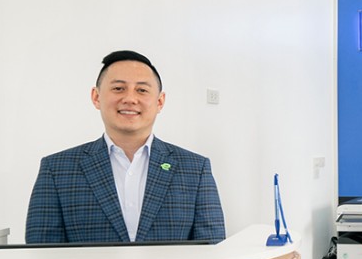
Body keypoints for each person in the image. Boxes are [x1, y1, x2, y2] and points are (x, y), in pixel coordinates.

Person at [26, 50, 226, 243]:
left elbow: (212, 251)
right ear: (96, 97)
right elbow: (42, 256)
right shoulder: (56, 169)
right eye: (118, 88)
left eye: (142, 90)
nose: (130, 99)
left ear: (160, 102)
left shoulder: (195, 169)